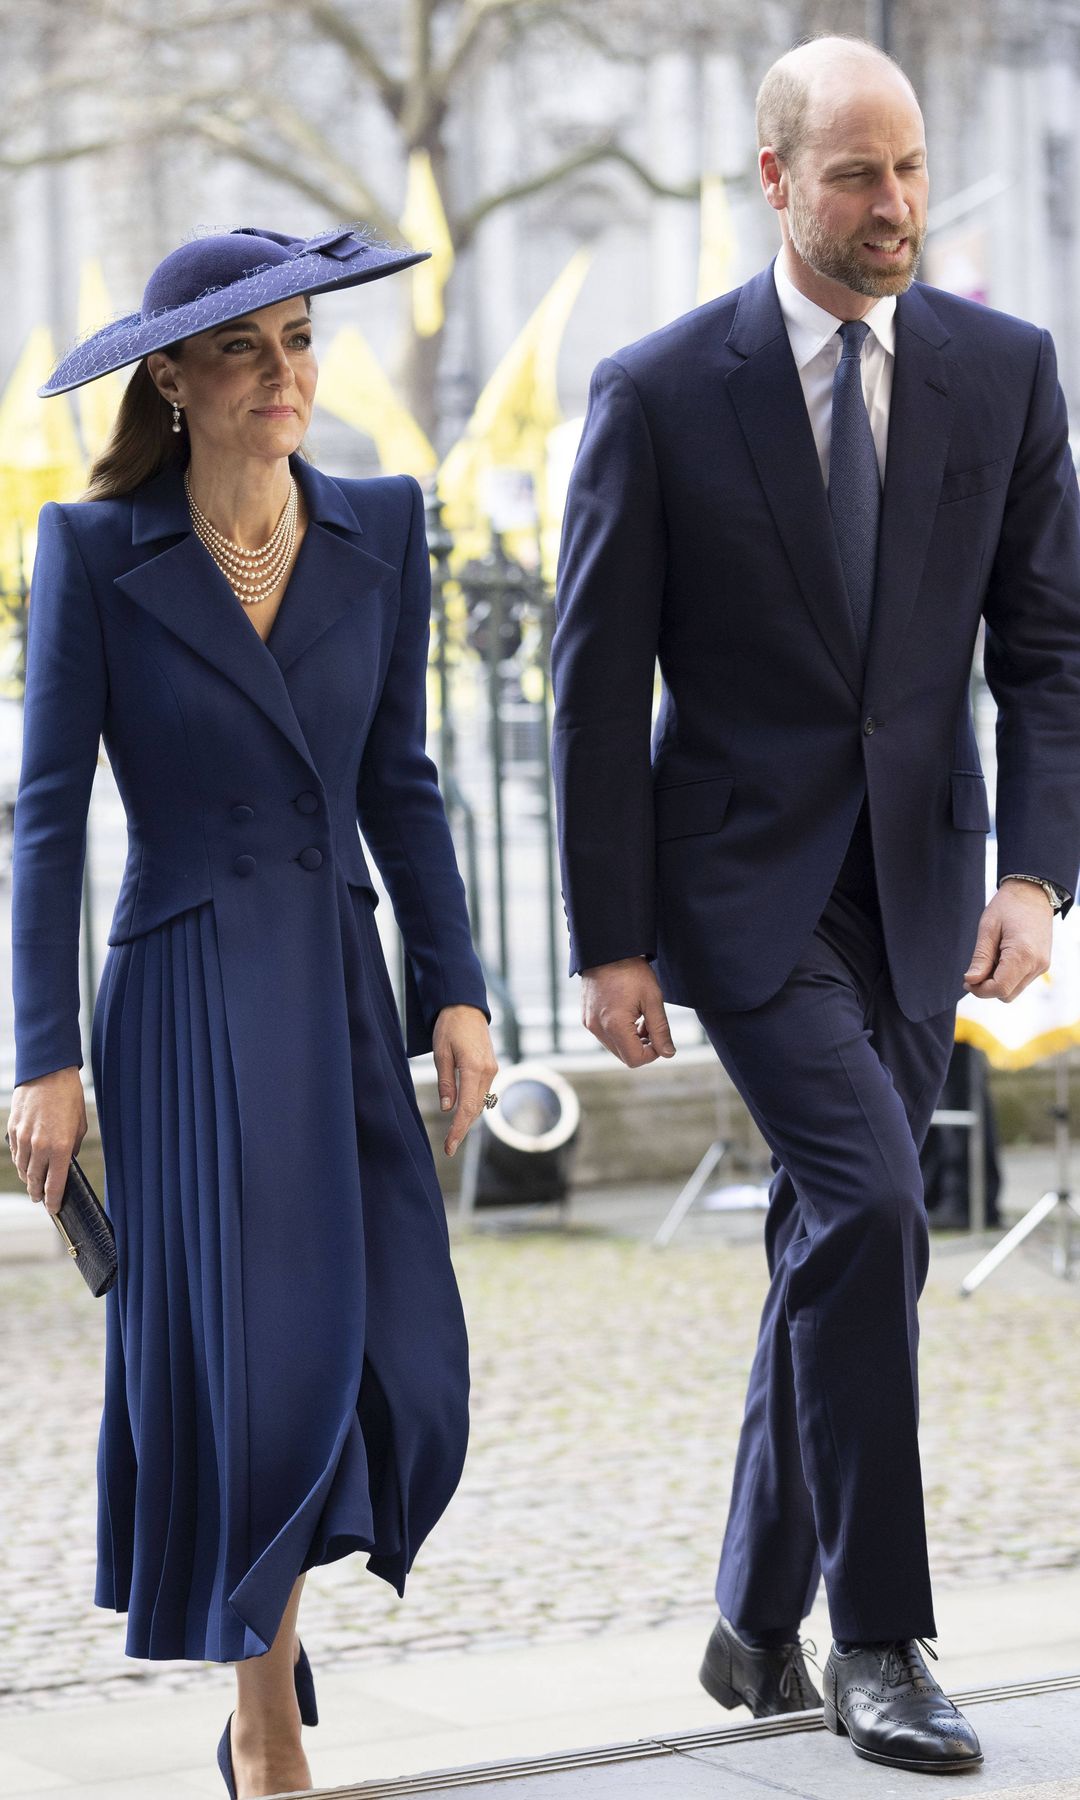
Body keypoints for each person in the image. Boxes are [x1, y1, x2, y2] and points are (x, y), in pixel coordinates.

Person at [551, 34, 1080, 1778]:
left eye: (911, 168)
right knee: (870, 1213)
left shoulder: (1007, 374)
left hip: (926, 890)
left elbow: (1049, 651)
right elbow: (590, 682)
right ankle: (879, 1639)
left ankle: (747, 1612)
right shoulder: (657, 391)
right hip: (745, 893)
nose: (897, 205)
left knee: (832, 1241)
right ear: (774, 180)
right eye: (857, 175)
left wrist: (1034, 871)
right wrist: (611, 938)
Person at [7, 225, 498, 1800]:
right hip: (182, 1003)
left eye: (301, 340)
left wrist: (461, 989)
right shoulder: (95, 552)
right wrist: (45, 1060)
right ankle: (266, 1714)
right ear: (174, 377)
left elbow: (404, 786)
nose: (288, 374)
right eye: (248, 350)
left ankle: (268, 1644)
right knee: (252, 1364)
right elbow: (43, 819)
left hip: (339, 997)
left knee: (397, 1356)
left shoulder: (383, 526)